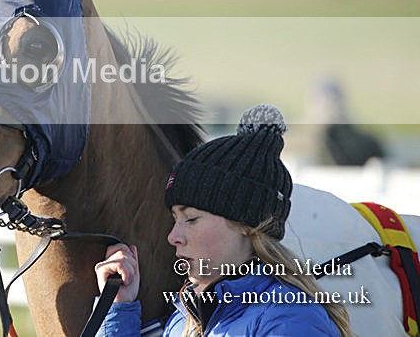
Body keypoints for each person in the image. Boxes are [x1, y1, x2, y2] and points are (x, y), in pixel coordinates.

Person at [95, 104, 351, 336]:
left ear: (245, 225)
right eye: (175, 218)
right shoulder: (185, 318)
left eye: (191, 219)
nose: (173, 237)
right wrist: (119, 307)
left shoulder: (292, 320)